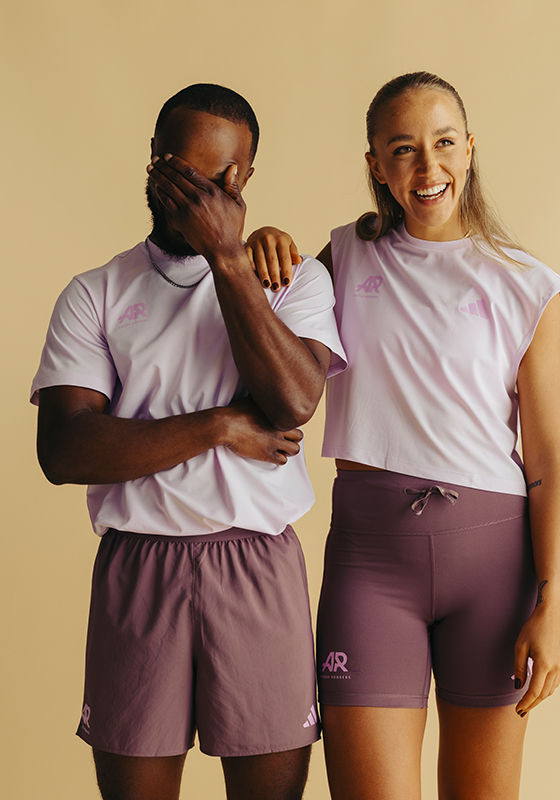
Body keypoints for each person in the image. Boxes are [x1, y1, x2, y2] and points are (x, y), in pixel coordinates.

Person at [247, 71, 560, 800]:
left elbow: (550, 460)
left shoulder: (526, 283)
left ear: (469, 149)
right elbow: (273, 342)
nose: (429, 169)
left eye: (444, 143)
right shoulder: (341, 258)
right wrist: (265, 245)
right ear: (375, 165)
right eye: (403, 150)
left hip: (496, 572)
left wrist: (552, 603)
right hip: (371, 568)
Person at [30, 83, 346, 800]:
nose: (198, 193)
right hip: (140, 565)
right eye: (183, 171)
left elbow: (295, 399)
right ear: (153, 164)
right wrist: (219, 427)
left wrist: (229, 257)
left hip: (256, 562)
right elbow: (67, 451)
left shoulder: (290, 279)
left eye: (219, 178)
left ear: (243, 180)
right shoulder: (96, 292)